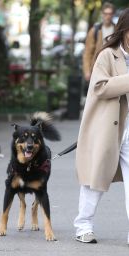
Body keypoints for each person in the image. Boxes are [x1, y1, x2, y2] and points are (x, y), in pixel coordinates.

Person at [74, 8, 129, 244]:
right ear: (126, 30)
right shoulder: (107, 55)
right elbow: (100, 87)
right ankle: (83, 226)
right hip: (108, 128)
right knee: (94, 178)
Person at [82, 2, 115, 96]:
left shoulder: (117, 30)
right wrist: (87, 71)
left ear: (112, 15)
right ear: (102, 14)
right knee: (95, 95)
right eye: (105, 13)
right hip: (97, 67)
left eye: (110, 14)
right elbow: (88, 52)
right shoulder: (95, 30)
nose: (107, 16)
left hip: (113, 69)